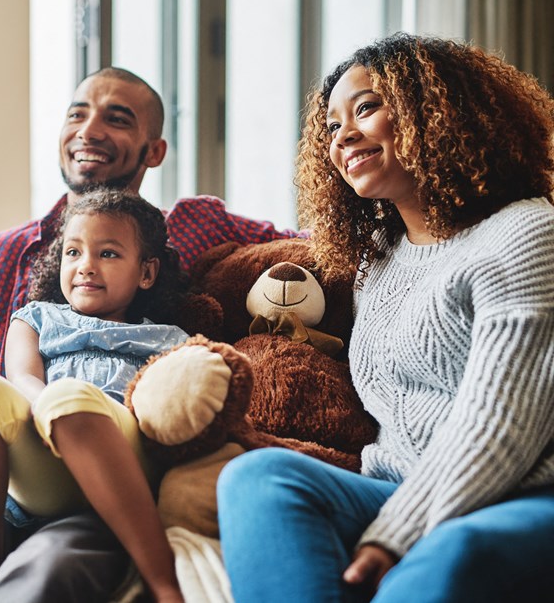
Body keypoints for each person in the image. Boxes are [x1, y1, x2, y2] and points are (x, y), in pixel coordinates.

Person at [0, 67, 297, 602]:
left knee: (39, 584)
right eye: (76, 114)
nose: (89, 130)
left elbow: (313, 249)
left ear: (154, 151)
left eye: (117, 119)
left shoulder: (197, 228)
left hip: (105, 474)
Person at [216, 33, 554, 602]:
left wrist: (395, 536)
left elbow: (501, 426)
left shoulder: (527, 232)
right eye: (331, 126)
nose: (342, 136)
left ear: (438, 112)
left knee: (453, 549)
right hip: (397, 490)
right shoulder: (379, 256)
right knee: (256, 478)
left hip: (517, 493)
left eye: (366, 108)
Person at [0, 189, 189, 602]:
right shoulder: (35, 318)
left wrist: (62, 402)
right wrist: (44, 405)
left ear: (146, 273)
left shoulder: (169, 338)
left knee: (70, 398)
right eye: (73, 252)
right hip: (43, 456)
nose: (85, 266)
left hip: (123, 455)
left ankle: (164, 583)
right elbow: (21, 376)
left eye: (107, 254)